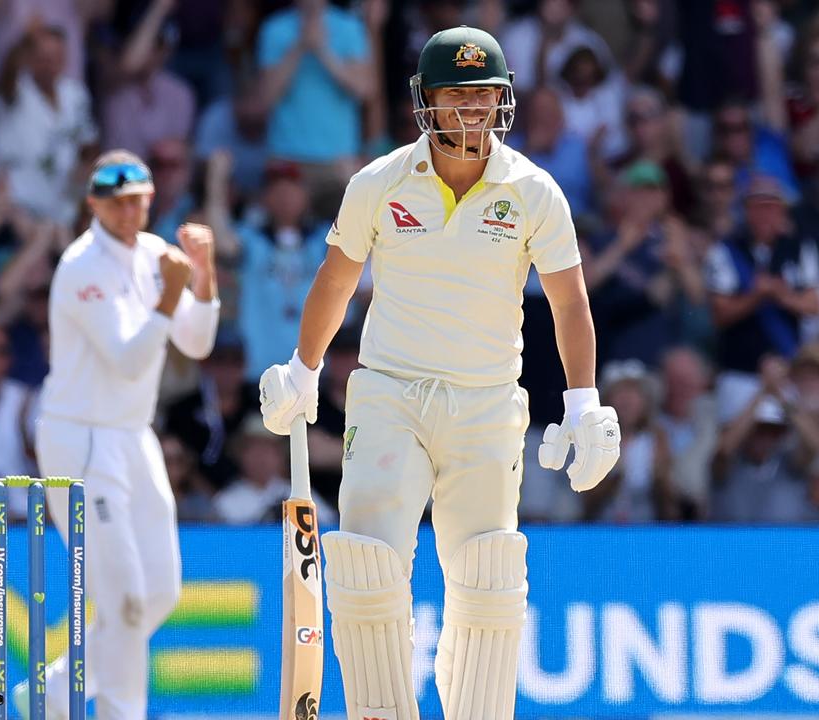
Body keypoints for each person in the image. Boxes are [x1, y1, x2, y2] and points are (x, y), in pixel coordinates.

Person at [257, 25, 620, 720]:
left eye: (485, 95)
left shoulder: (534, 192)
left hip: (486, 404)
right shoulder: (380, 182)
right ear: (426, 101)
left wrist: (583, 403)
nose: (472, 110)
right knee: (366, 564)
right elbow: (336, 281)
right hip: (390, 394)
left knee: (488, 579)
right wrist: (303, 370)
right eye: (457, 95)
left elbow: (570, 301)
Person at [17, 150, 221, 720]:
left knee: (159, 592)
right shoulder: (81, 266)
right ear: (94, 204)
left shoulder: (156, 254)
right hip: (79, 439)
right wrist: (169, 295)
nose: (130, 213)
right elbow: (129, 358)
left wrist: (202, 277)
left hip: (133, 436)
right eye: (118, 202)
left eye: (139, 202)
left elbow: (198, 343)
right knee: (125, 603)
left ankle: (57, 687)